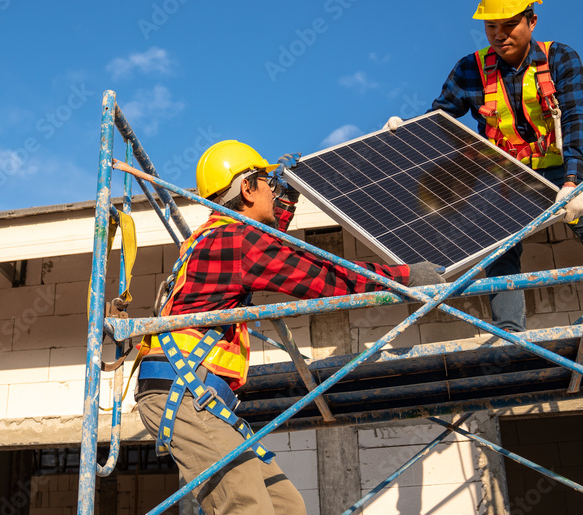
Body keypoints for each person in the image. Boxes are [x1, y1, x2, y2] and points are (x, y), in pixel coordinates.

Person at [134, 140, 444, 514]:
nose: (273, 188)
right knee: (246, 507)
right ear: (247, 189)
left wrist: (285, 200)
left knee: (287, 506)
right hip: (185, 395)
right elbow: (321, 275)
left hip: (200, 398)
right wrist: (404, 278)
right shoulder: (236, 241)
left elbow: (266, 246)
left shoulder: (224, 236)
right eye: (268, 183)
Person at [387, 0, 583, 331]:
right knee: (499, 256)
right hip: (506, 178)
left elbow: (577, 120)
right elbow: (440, 121)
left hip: (562, 170)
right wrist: (408, 131)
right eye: (491, 27)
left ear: (532, 20)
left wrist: (573, 183)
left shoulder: (560, 59)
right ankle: (511, 339)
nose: (499, 35)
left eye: (509, 25)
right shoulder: (470, 69)